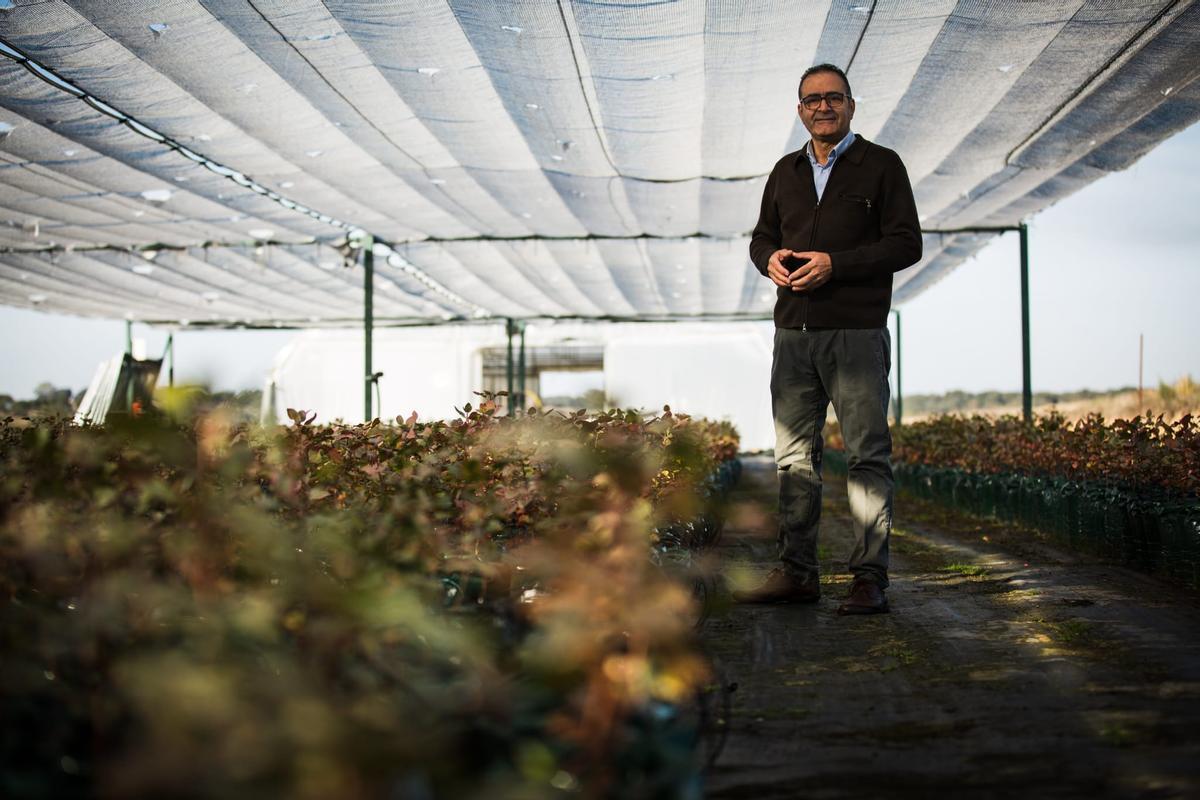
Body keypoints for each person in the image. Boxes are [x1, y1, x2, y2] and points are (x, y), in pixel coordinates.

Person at [734, 63, 922, 614]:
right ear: (800, 111)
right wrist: (768, 258)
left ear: (851, 106)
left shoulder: (881, 166)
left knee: (866, 456)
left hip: (856, 334)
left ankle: (870, 578)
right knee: (794, 459)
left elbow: (906, 244)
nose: (823, 107)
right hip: (793, 334)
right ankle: (797, 573)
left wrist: (834, 265)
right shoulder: (785, 171)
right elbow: (762, 236)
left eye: (833, 98)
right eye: (812, 100)